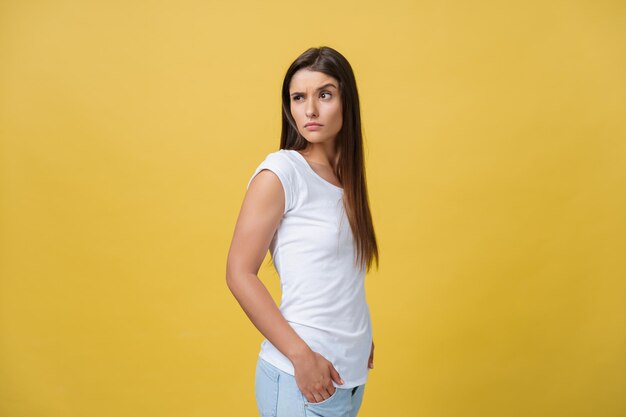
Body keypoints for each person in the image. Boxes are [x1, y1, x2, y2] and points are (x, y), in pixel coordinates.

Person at [226, 46, 379, 417]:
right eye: (298, 97)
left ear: (347, 102)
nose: (309, 110)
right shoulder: (282, 173)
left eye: (324, 95)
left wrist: (358, 335)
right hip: (304, 383)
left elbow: (338, 275)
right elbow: (238, 273)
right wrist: (301, 357)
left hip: (348, 378)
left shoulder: (346, 180)